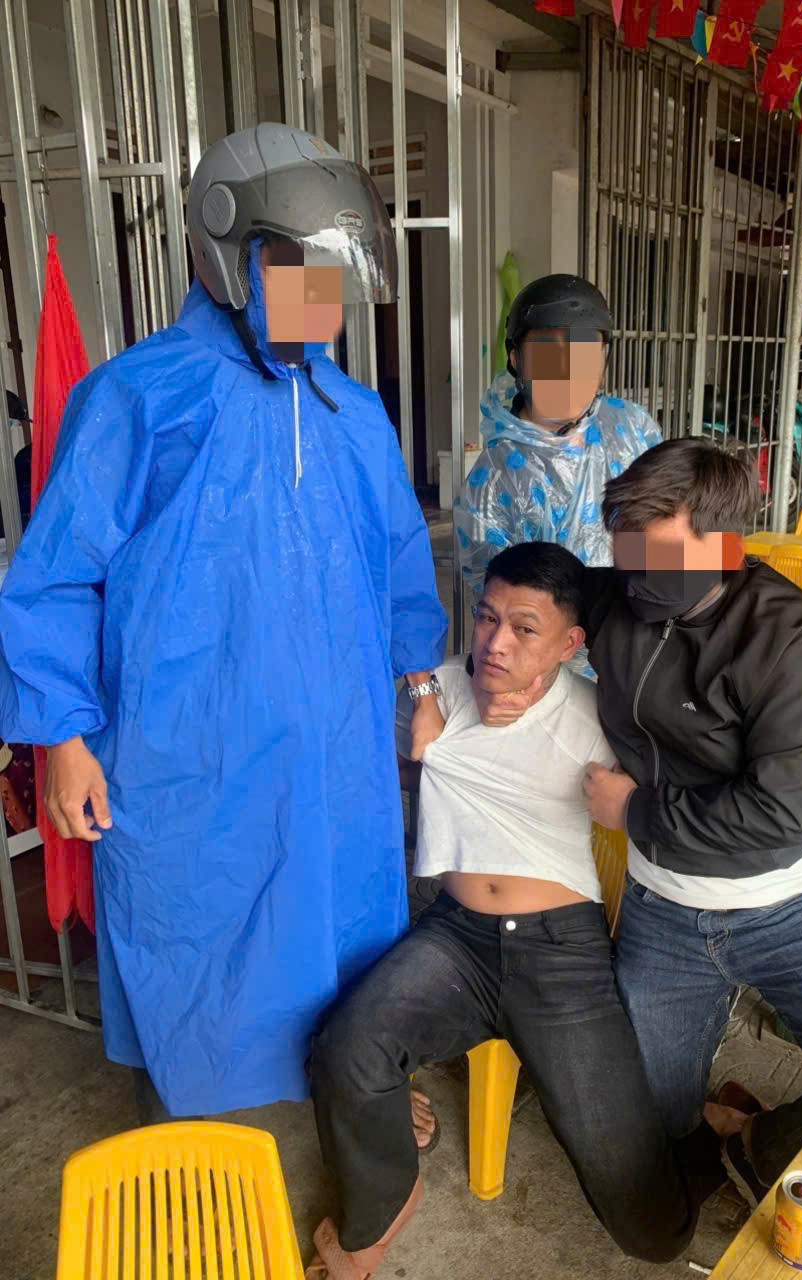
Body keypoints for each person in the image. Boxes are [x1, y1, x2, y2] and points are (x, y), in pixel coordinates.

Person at [0, 124, 448, 1121]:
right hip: (189, 751)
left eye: (333, 274)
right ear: (232, 258)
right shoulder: (139, 396)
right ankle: (195, 1110)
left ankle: (358, 1082)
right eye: (301, 271)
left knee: (342, 918)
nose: (323, 298)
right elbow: (58, 575)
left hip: (335, 748)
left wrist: (419, 683)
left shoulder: (352, 411)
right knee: (198, 927)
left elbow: (398, 560)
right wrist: (63, 737)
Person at [307, 542, 710, 1277]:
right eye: (487, 617)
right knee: (346, 1046)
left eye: (525, 629)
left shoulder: (598, 716)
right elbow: (369, 760)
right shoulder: (439, 692)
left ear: (569, 643)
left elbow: (688, 765)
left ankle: (724, 1136)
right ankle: (380, 1212)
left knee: (654, 1233)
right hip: (456, 938)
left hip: (562, 954)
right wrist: (422, 713)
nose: (496, 643)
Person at [572, 438, 802, 1200]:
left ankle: (752, 1137)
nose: (634, 572)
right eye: (624, 548)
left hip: (792, 907)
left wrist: (634, 809)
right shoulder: (617, 598)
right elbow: (530, 594)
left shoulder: (792, 640)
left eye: (657, 554)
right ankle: (706, 1129)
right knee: (649, 1132)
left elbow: (777, 816)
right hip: (663, 910)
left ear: (723, 546)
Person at [453, 274, 661, 677]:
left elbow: (672, 529)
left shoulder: (632, 429)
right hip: (549, 674)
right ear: (516, 359)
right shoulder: (492, 480)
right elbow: (498, 603)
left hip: (638, 653)